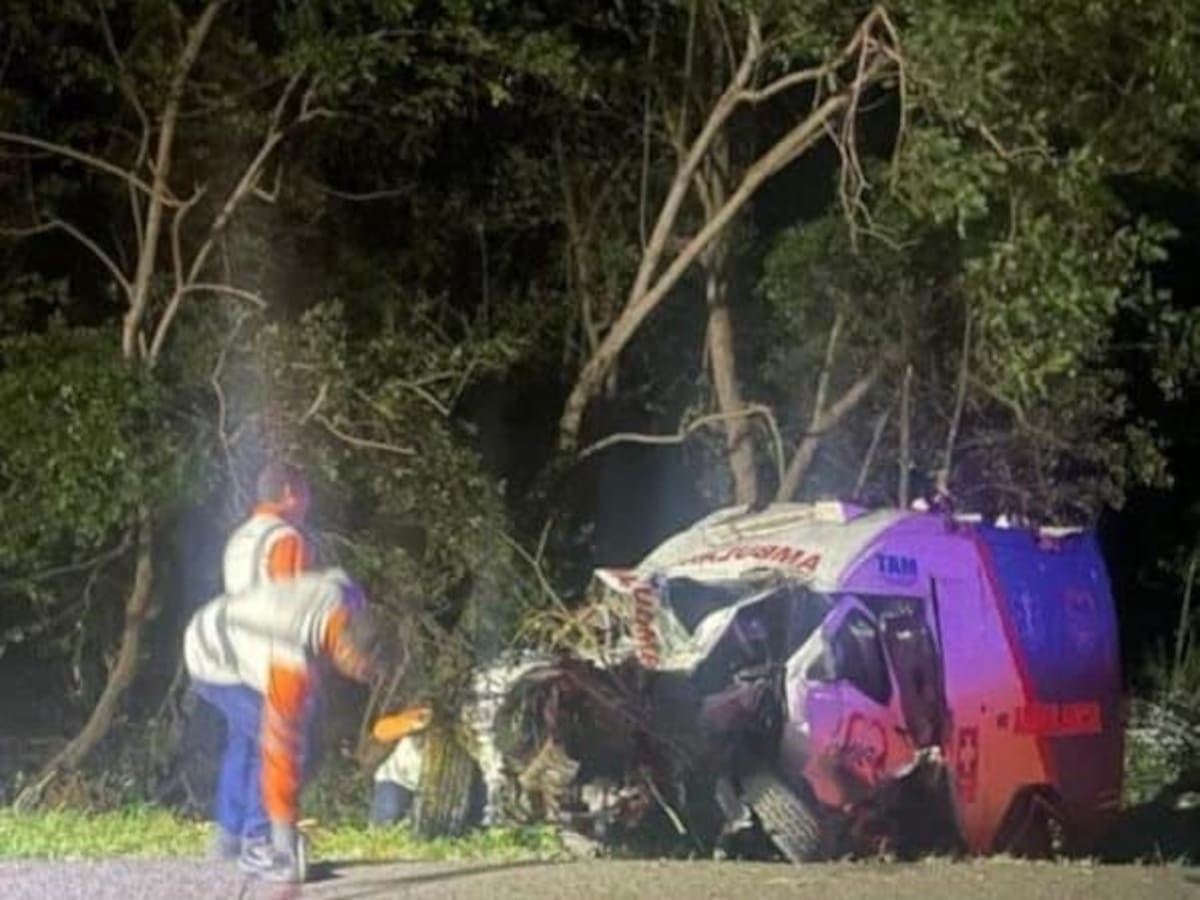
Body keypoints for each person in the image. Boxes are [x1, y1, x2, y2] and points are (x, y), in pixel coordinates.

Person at [184, 567, 389, 883]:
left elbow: (337, 575)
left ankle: (229, 841)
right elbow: (281, 751)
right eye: (364, 671)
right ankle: (259, 845)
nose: (366, 679)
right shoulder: (291, 656)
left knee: (304, 739)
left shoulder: (345, 599)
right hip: (214, 656)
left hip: (239, 634)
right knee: (288, 743)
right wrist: (284, 837)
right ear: (346, 649)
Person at [223, 462, 312, 595]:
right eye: (305, 493)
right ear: (289, 492)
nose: (308, 502)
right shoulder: (285, 537)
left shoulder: (237, 537)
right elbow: (293, 603)